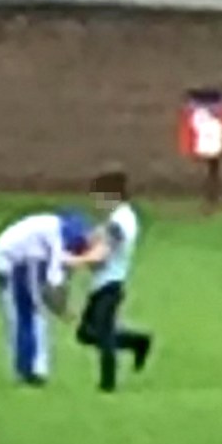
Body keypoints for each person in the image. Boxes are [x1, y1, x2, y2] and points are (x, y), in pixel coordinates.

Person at [69, 168, 153, 393]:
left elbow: (103, 253)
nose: (96, 202)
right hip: (101, 284)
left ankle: (107, 384)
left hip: (110, 284)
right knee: (85, 333)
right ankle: (137, 342)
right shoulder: (117, 218)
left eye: (99, 196)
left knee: (104, 335)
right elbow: (98, 237)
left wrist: (73, 261)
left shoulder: (120, 222)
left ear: (112, 195)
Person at [0, 210, 93, 386]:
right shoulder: (55, 239)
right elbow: (53, 281)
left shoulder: (50, 226)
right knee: (33, 316)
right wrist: (64, 310)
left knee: (22, 317)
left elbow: (59, 269)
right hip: (15, 262)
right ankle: (32, 370)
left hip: (4, 260)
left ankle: (26, 368)